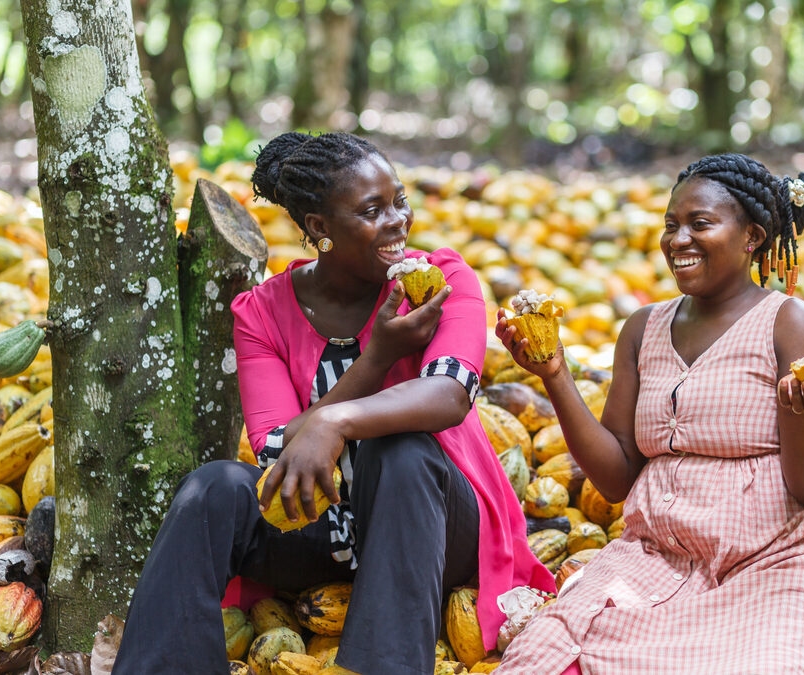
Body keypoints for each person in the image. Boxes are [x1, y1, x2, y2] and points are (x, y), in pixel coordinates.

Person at [113, 132, 554, 675]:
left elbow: (448, 396)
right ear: (319, 228)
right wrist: (377, 358)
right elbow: (276, 449)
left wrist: (333, 420)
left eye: (400, 200)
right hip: (319, 528)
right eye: (373, 210)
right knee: (212, 487)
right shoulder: (262, 314)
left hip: (431, 526)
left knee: (401, 450)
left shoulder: (442, 280)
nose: (397, 221)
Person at [493, 154, 804, 674]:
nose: (677, 240)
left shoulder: (792, 324)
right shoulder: (643, 329)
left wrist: (795, 413)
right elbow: (617, 478)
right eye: (671, 225)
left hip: (775, 566)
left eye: (700, 224)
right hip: (652, 561)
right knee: (539, 658)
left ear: (751, 236)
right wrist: (554, 374)